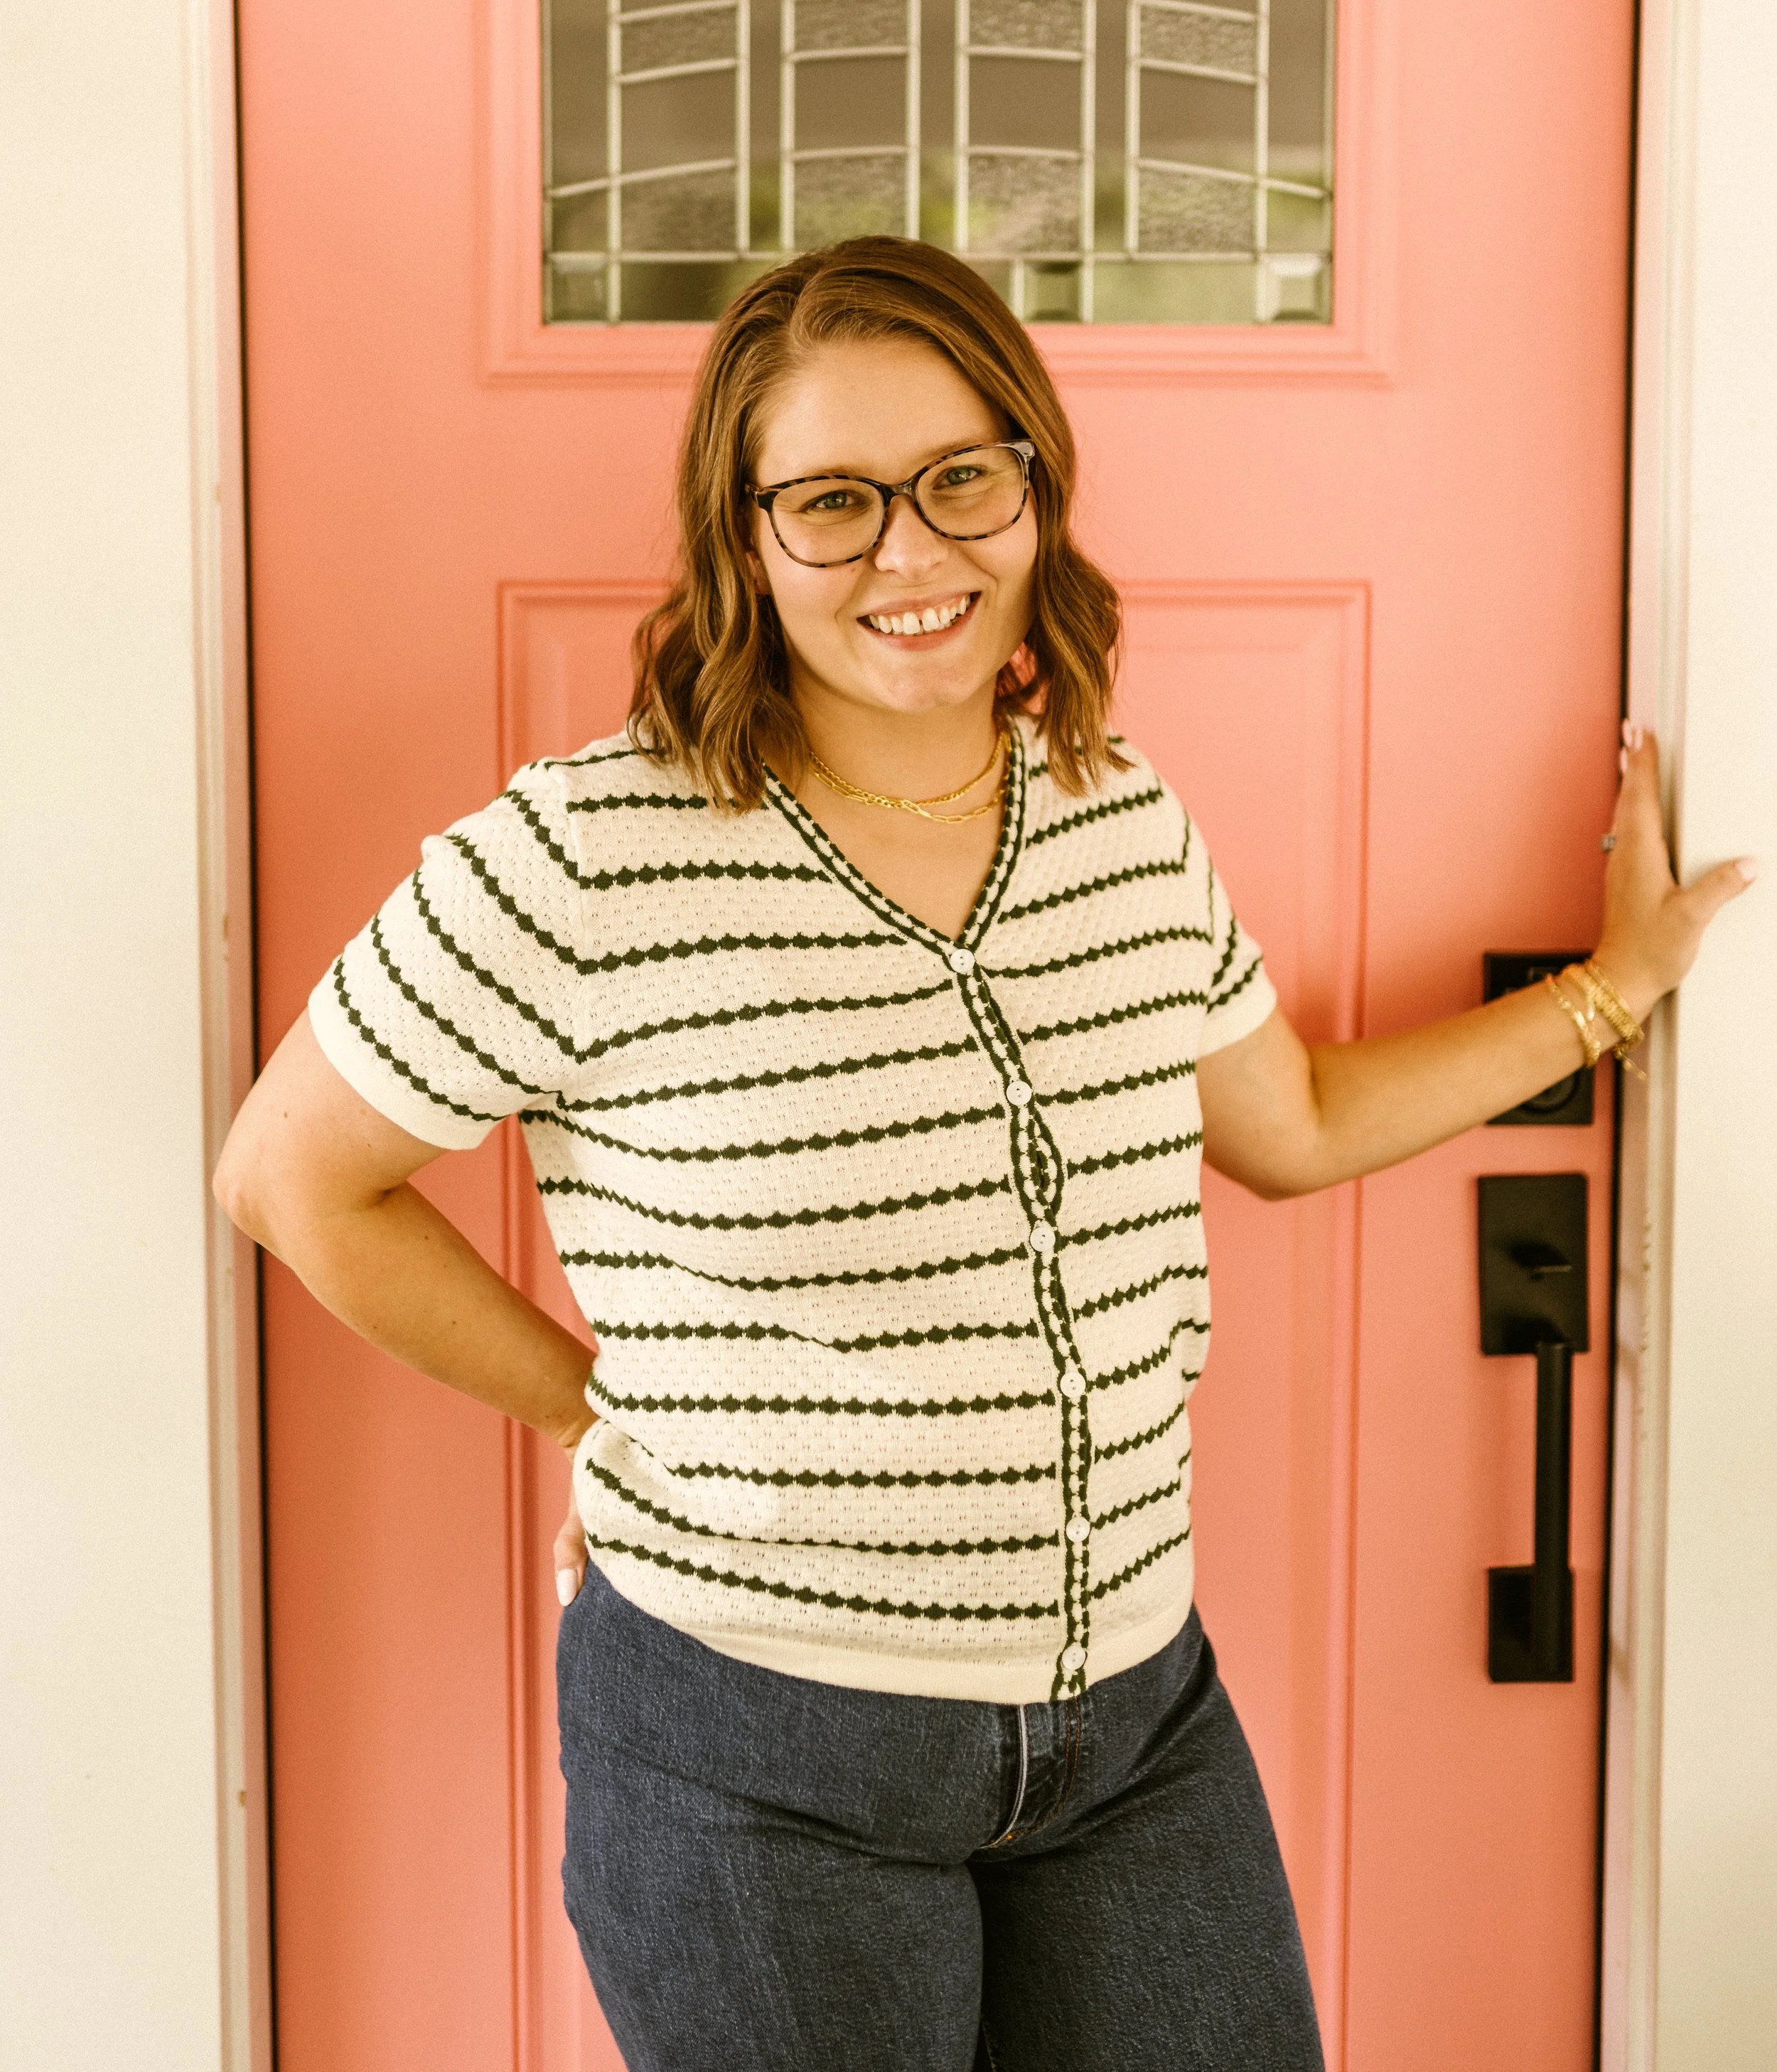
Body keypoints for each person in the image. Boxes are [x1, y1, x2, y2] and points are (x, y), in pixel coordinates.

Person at [214, 236, 1753, 2072]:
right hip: (754, 1755)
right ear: (742, 529)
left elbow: (1293, 1123)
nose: (909, 552)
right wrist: (594, 1412)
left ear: (1032, 482)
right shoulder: (579, 855)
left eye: (961, 477)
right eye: (833, 501)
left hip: (1131, 1727)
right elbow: (290, 1172)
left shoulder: (1113, 814)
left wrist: (1607, 994)